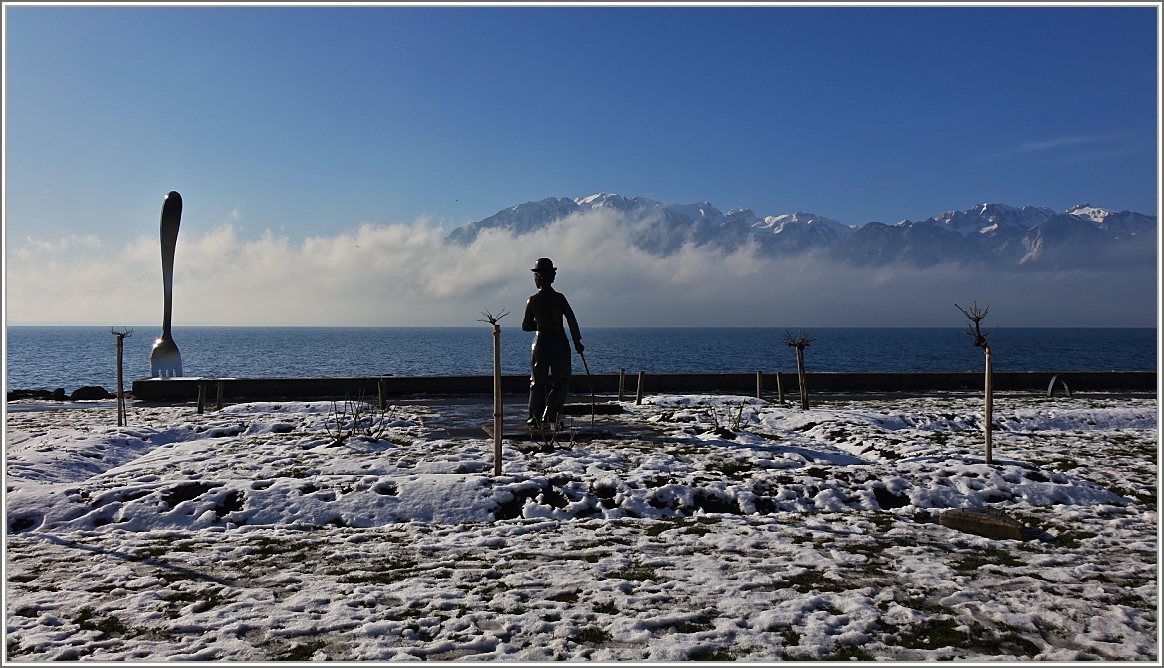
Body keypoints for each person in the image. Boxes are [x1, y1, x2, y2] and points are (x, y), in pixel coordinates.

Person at [522, 257, 584, 430]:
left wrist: (541, 325)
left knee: (537, 383)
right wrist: (577, 342)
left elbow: (526, 326)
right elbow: (572, 321)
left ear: (539, 277)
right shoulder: (559, 298)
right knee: (562, 382)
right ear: (552, 277)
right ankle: (551, 416)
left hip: (540, 343)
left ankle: (534, 419)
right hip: (559, 344)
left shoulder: (532, 300)